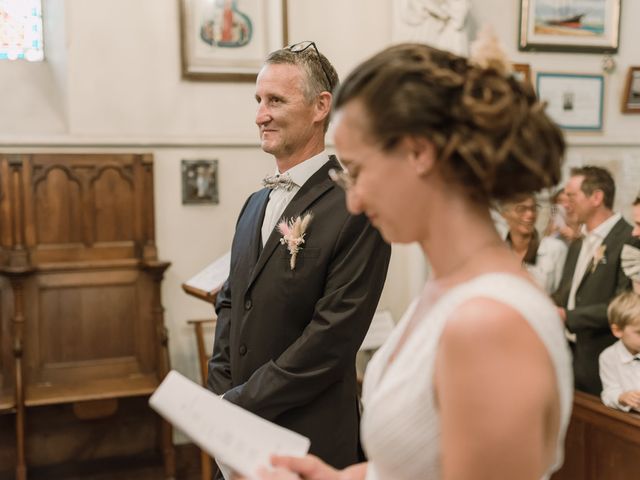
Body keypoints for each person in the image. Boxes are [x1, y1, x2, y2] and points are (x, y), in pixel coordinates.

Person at [255, 30, 573, 480]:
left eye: (359, 171)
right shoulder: (447, 287)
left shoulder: (489, 322)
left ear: (419, 153)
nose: (354, 201)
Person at [207, 41, 391, 477]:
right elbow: (231, 304)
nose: (260, 115)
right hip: (236, 432)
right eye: (258, 101)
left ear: (320, 106)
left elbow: (331, 338)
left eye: (275, 100)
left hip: (311, 436)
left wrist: (242, 401)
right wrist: (219, 397)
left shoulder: (354, 206)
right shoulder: (254, 204)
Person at [552, 166, 633, 395]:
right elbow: (566, 293)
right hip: (570, 357)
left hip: (602, 360)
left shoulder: (628, 239)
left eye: (572, 196)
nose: (565, 203)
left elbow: (623, 306)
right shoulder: (578, 242)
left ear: (596, 197)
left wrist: (569, 316)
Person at [500, 194, 567, 293]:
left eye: (533, 208)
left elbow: (562, 295)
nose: (530, 214)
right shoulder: (497, 253)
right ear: (505, 215)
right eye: (521, 209)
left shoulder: (555, 249)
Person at [599, 291, 640, 412]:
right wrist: (621, 397)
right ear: (617, 330)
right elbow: (608, 392)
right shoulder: (608, 357)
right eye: (639, 332)